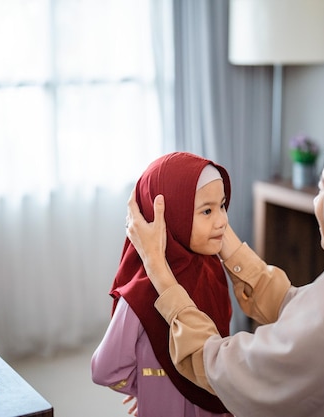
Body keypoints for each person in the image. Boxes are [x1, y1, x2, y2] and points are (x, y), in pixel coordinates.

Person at [124, 123, 324, 417]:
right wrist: (228, 243)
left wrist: (158, 269)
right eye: (209, 209)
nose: (316, 201)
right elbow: (297, 305)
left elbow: (219, 365)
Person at [91, 152, 236, 416]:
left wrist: (149, 386)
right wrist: (146, 386)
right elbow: (104, 369)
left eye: (223, 206)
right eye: (207, 210)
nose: (223, 220)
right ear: (171, 217)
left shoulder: (211, 269)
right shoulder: (143, 291)